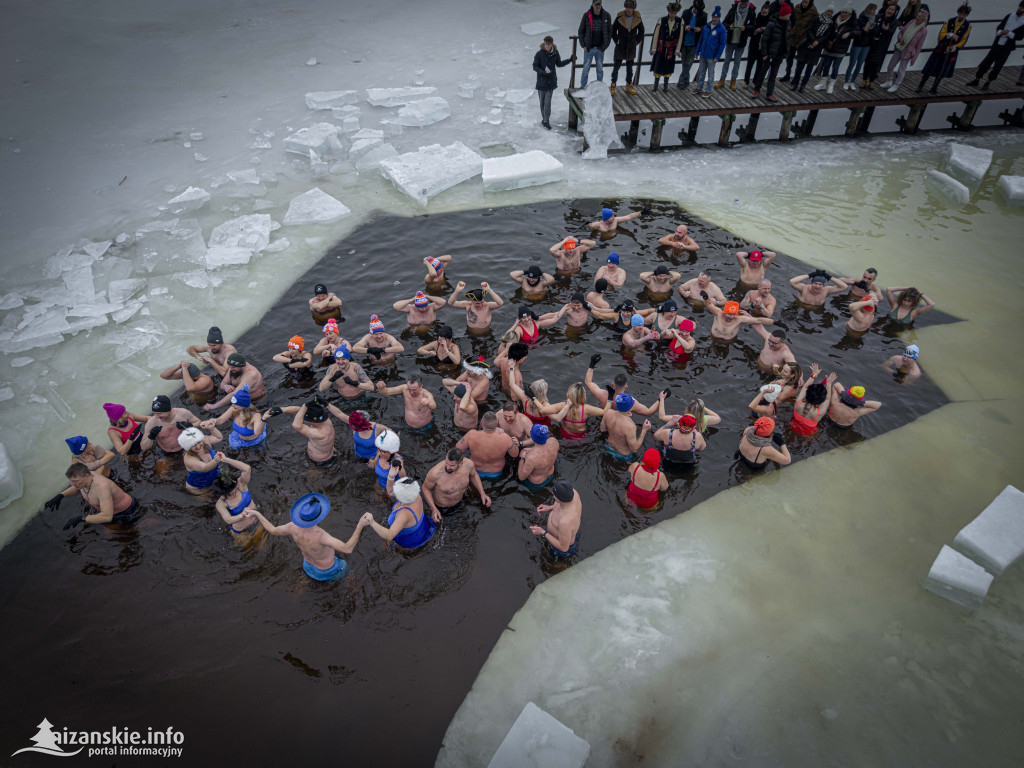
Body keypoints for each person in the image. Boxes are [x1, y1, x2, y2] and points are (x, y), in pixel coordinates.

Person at [245, 493, 372, 582]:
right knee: (349, 574)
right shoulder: (321, 536)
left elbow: (272, 530)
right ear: (319, 516)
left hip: (308, 566)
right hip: (326, 570)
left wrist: (256, 513)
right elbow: (347, 549)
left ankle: (302, 584)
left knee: (308, 577)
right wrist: (360, 525)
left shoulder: (292, 527)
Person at [50, 464, 141, 528]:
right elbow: (76, 488)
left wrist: (81, 519)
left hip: (127, 512)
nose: (73, 484)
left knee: (130, 532)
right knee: (110, 535)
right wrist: (60, 495)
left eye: (75, 481)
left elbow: (107, 516)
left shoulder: (102, 488)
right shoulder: (83, 482)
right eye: (71, 481)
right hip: (110, 513)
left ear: (86, 476)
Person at [366, 477, 438, 548]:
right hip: (422, 526)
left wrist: (372, 522)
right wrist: (391, 477)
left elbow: (389, 536)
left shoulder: (404, 514)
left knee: (389, 548)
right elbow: (390, 492)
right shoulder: (414, 494)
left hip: (409, 540)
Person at [967, 3, 1024, 90]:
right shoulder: (1010, 15)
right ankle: (977, 79)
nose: (1019, 9)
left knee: (998, 65)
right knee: (986, 62)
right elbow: (999, 27)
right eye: (1019, 7)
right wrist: (1000, 32)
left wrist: (1009, 33)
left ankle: (988, 82)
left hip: (1007, 47)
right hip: (998, 43)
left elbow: (1020, 37)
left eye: (1022, 8)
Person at [916, 4, 971, 94]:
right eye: (960, 13)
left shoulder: (967, 26)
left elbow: (963, 40)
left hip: (952, 50)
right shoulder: (949, 21)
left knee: (943, 69)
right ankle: (921, 85)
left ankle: (934, 87)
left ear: (966, 15)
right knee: (930, 67)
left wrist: (954, 47)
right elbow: (941, 35)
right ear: (958, 12)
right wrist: (950, 35)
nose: (961, 16)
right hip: (941, 47)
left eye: (964, 15)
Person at [422, 448, 492, 518]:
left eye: (452, 466)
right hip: (443, 508)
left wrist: (482, 493)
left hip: (461, 500)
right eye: (446, 463)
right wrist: (434, 509)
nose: (447, 467)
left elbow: (474, 476)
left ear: (461, 463)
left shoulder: (468, 465)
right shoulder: (436, 473)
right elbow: (425, 488)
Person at [213, 455, 265, 544]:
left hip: (255, 522)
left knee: (263, 546)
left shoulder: (241, 484)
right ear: (225, 492)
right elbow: (228, 519)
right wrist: (242, 515)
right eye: (233, 488)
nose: (236, 487)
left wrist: (226, 459)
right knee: (249, 551)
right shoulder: (221, 503)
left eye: (235, 484)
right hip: (240, 530)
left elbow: (247, 468)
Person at [455, 411, 522, 480]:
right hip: (496, 472)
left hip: (475, 470)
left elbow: (457, 449)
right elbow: (515, 454)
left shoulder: (471, 435)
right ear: (497, 424)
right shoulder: (505, 438)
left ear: (481, 423)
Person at [583, 354, 658, 415]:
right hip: (620, 426)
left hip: (606, 419)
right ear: (626, 387)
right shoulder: (631, 403)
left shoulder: (602, 395)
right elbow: (649, 412)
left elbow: (588, 382)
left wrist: (592, 364)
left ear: (612, 384)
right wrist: (661, 398)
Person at [878, 6, 929, 93]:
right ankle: (889, 81)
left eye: (919, 17)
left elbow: (919, 46)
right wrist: (900, 38)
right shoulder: (911, 22)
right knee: (890, 65)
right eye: (917, 16)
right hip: (900, 47)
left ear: (924, 19)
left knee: (901, 69)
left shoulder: (923, 30)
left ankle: (896, 85)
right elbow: (901, 32)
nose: (917, 17)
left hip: (908, 51)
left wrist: (914, 58)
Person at [530, 480, 583, 558]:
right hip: (565, 533)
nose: (552, 494)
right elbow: (562, 504)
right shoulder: (573, 493)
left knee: (555, 563)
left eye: (554, 495)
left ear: (560, 499)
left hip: (560, 548)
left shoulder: (565, 522)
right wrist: (549, 507)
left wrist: (543, 532)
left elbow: (564, 548)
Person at [751, 2, 792, 100]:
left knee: (773, 75)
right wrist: (765, 53)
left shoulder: (788, 23)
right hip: (769, 53)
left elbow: (788, 38)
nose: (790, 16)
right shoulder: (772, 23)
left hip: (780, 53)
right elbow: (764, 39)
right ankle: (757, 89)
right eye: (788, 14)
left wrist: (786, 51)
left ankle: (769, 93)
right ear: (784, 15)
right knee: (763, 72)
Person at [792, 5, 835, 93]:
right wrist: (813, 40)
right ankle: (795, 84)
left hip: (817, 47)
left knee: (809, 68)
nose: (829, 13)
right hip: (807, 43)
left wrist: (817, 42)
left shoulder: (831, 24)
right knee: (800, 67)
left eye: (831, 12)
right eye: (828, 11)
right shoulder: (817, 19)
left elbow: (827, 36)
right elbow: (809, 30)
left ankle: (803, 86)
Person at [814, 4, 856, 93]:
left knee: (835, 68)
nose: (843, 14)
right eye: (843, 12)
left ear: (849, 14)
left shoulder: (851, 24)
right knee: (826, 66)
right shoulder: (834, 20)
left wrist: (849, 34)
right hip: (830, 48)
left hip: (841, 50)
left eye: (846, 13)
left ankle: (831, 85)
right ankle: (823, 83)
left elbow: (858, 32)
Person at [325, 408, 392, 463]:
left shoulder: (377, 428)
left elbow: (393, 434)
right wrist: (327, 404)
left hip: (372, 457)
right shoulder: (355, 423)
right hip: (357, 453)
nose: (354, 427)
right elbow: (339, 414)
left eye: (356, 426)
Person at [286, 397, 338, 466]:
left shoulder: (320, 433)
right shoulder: (326, 420)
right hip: (330, 453)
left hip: (320, 461)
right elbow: (300, 411)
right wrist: (283, 410)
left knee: (314, 476)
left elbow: (296, 425)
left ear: (313, 421)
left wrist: (305, 406)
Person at [601, 392, 653, 461]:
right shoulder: (630, 426)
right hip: (622, 455)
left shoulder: (608, 413)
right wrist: (644, 430)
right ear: (630, 407)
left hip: (608, 447)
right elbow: (634, 449)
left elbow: (602, 429)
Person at [213, 384, 267, 448]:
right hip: (238, 439)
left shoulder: (255, 416)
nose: (232, 405)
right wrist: (212, 421)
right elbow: (220, 420)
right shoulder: (234, 408)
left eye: (235, 404)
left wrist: (264, 419)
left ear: (243, 405)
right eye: (232, 403)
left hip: (255, 442)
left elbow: (257, 432)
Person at [719, 0, 757, 90]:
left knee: (737, 62)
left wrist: (745, 28)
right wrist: (729, 26)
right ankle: (722, 80)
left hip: (741, 42)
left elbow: (753, 26)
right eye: (742, 2)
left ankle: (733, 81)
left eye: (745, 2)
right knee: (726, 61)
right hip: (730, 40)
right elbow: (724, 22)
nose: (743, 4)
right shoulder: (733, 9)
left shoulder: (751, 12)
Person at [534, 36, 571, 129]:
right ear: (544, 44)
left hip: (551, 82)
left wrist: (569, 60)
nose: (547, 46)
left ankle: (546, 121)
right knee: (542, 103)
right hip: (541, 82)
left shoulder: (555, 53)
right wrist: (542, 72)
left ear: (552, 44)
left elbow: (559, 64)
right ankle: (544, 119)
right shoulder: (539, 54)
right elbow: (535, 66)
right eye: (546, 44)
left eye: (549, 44)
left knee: (547, 103)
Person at [862, 0, 901, 88]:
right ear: (886, 9)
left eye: (892, 10)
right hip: (872, 42)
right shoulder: (878, 16)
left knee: (874, 63)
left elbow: (891, 32)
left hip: (881, 45)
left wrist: (886, 30)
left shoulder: (894, 21)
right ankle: (864, 80)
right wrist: (872, 29)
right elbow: (872, 27)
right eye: (889, 9)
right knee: (867, 62)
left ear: (894, 12)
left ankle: (871, 81)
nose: (890, 11)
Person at [791, 364, 836, 435]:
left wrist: (814, 374)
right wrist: (829, 383)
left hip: (793, 425)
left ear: (807, 394)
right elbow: (828, 399)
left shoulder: (798, 402)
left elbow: (805, 387)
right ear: (821, 400)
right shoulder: (819, 413)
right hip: (808, 432)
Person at [780, 0, 820, 82]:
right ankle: (787, 74)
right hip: (793, 36)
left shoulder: (814, 12)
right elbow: (791, 19)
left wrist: (808, 37)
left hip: (803, 39)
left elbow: (815, 26)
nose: (804, 3)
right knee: (789, 57)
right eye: (803, 1)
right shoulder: (797, 8)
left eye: (806, 2)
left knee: (799, 59)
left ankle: (796, 77)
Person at [611, 1, 645, 94]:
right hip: (620, 46)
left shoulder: (637, 17)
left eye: (630, 8)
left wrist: (637, 41)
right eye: (627, 7)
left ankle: (629, 86)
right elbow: (613, 30)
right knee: (616, 67)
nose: (628, 9)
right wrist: (616, 40)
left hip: (631, 47)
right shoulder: (619, 17)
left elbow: (641, 31)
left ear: (633, 8)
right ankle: (613, 85)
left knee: (630, 68)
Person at [693, 6, 728, 97]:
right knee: (701, 72)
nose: (714, 19)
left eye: (716, 17)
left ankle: (709, 90)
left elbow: (722, 44)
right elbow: (701, 39)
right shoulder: (707, 26)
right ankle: (699, 88)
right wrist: (697, 51)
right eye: (713, 17)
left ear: (719, 18)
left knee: (710, 74)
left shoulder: (722, 29)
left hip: (712, 56)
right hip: (703, 53)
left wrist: (717, 56)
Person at [578, 0, 614, 89]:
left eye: (599, 4)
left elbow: (610, 31)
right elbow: (580, 31)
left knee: (600, 69)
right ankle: (583, 87)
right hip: (589, 48)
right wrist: (584, 45)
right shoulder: (586, 15)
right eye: (596, 4)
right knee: (585, 69)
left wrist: (605, 45)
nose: (598, 6)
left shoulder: (606, 15)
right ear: (592, 4)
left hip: (600, 49)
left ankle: (599, 87)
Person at [179, 425, 224, 493]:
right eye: (193, 445)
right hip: (198, 487)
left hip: (214, 479)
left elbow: (219, 438)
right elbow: (205, 468)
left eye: (199, 442)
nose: (198, 446)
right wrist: (215, 460)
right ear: (188, 446)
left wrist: (212, 428)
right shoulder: (189, 458)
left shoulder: (205, 440)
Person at [651, 3, 685, 92]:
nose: (672, 15)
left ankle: (665, 87)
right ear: (668, 12)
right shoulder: (661, 20)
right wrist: (653, 48)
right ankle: (655, 86)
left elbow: (681, 37)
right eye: (671, 13)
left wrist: (678, 49)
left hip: (671, 49)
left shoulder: (680, 21)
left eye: (674, 13)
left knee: (668, 67)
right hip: (661, 48)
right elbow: (656, 35)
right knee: (658, 66)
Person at [843, 3, 878, 89]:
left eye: (875, 10)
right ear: (869, 9)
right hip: (858, 44)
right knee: (852, 63)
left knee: (860, 64)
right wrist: (864, 29)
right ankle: (846, 82)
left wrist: (871, 29)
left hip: (867, 45)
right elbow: (857, 30)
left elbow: (875, 32)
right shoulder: (861, 18)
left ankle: (852, 82)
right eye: (873, 9)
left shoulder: (874, 20)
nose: (874, 12)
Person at [706, 298, 773, 340]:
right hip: (713, 339)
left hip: (729, 342)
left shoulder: (739, 319)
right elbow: (709, 305)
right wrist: (705, 297)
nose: (731, 317)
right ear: (724, 312)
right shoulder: (718, 313)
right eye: (729, 314)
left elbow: (758, 320)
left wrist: (774, 322)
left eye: (733, 314)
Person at [518, 424, 560, 489]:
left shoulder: (531, 458)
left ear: (533, 438)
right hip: (551, 473)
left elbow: (521, 477)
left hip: (537, 482)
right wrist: (532, 450)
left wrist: (522, 458)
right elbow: (544, 451)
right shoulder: (554, 441)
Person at [743, 1, 774, 88]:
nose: (764, 14)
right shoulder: (756, 19)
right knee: (750, 64)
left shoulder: (770, 22)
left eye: (766, 13)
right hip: (754, 44)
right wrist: (756, 31)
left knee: (759, 65)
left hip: (763, 47)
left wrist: (765, 30)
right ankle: (746, 80)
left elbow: (771, 35)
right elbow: (750, 31)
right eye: (763, 12)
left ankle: (755, 81)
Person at [678, 1, 709, 88]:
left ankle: (681, 81)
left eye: (698, 10)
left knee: (689, 63)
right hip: (684, 42)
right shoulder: (685, 12)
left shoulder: (704, 15)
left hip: (694, 42)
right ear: (693, 7)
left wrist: (700, 29)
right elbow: (680, 24)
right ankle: (686, 80)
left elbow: (705, 27)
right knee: (684, 62)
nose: (696, 11)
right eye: (695, 9)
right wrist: (685, 26)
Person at [372, 429, 406, 495]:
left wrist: (400, 467)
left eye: (383, 451)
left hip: (392, 488)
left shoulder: (397, 460)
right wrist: (365, 461)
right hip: (379, 482)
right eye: (378, 449)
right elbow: (374, 464)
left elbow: (403, 476)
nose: (379, 452)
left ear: (390, 451)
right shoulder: (379, 453)